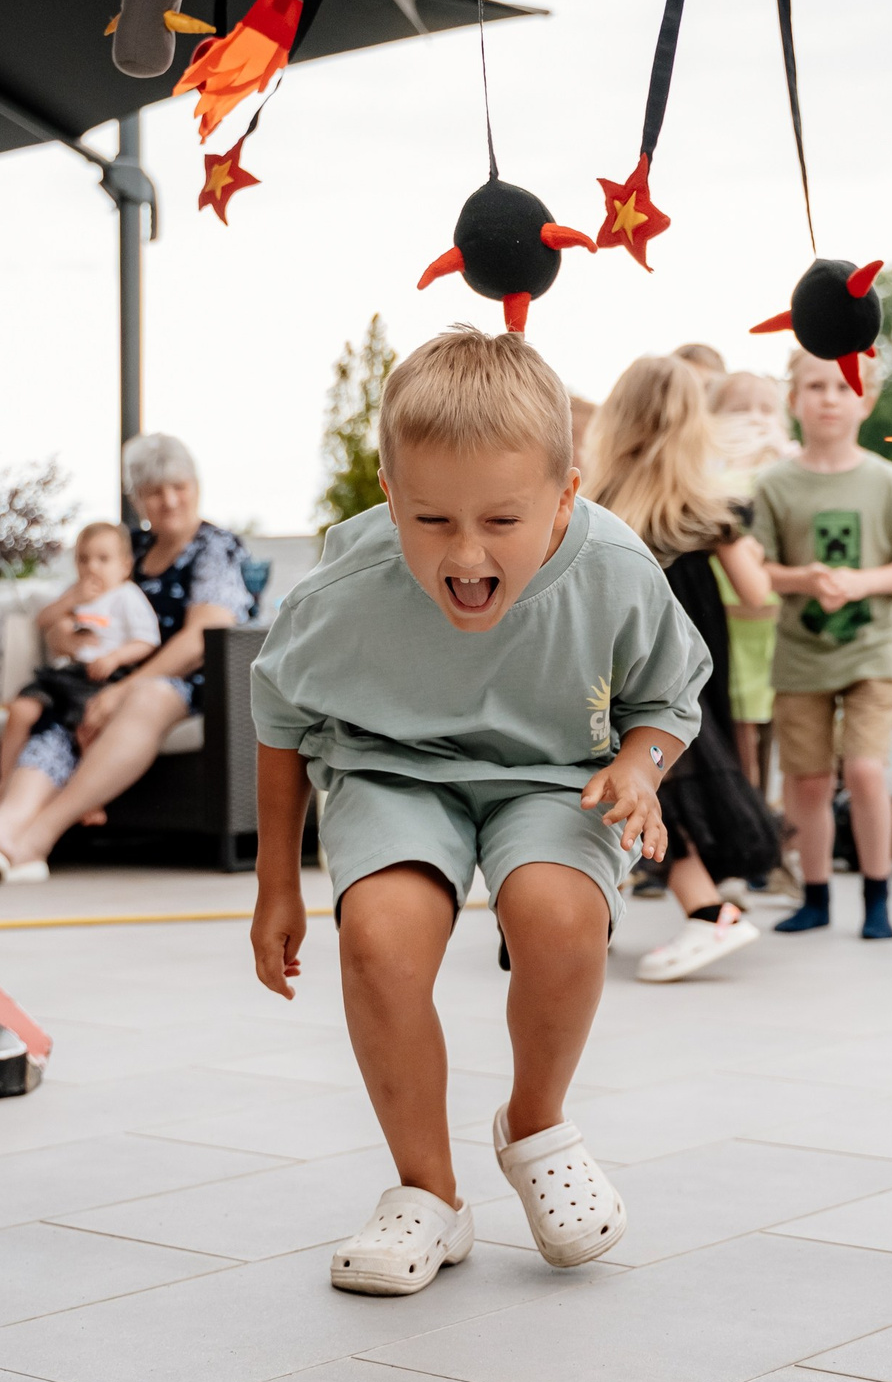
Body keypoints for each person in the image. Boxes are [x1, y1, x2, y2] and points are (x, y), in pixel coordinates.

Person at [249, 327, 709, 1296]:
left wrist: (640, 764)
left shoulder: (619, 572)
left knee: (559, 913)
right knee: (376, 937)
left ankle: (535, 1122)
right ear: (389, 493)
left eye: (502, 520)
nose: (464, 555)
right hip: (391, 768)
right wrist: (277, 887)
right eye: (430, 520)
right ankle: (427, 1191)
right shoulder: (347, 588)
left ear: (565, 494)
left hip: (553, 774)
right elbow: (280, 716)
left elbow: (669, 701)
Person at [0, 434, 252, 881]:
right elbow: (71, 612)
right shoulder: (124, 547)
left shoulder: (215, 547)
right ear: (138, 500)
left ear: (196, 485)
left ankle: (33, 841)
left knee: (144, 698)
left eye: (179, 487)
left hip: (190, 681)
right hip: (103, 675)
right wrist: (64, 635)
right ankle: (0, 828)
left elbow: (201, 640)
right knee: (59, 714)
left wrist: (123, 688)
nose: (169, 500)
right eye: (155, 491)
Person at [586, 356, 784, 982]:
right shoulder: (706, 507)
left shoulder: (598, 507)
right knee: (661, 787)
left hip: (622, 672)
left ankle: (705, 912)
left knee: (633, 784)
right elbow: (758, 595)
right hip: (695, 674)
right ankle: (615, 911)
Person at [750, 350, 892, 939]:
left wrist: (860, 582)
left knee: (865, 770)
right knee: (806, 780)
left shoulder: (886, 479)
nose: (830, 398)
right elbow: (759, 569)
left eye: (843, 386)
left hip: (871, 651)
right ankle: (816, 894)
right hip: (800, 653)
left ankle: (878, 897)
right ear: (794, 399)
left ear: (866, 400)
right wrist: (803, 579)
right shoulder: (774, 484)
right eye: (815, 386)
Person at [0, 521, 161, 798]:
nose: (92, 567)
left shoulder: (126, 596)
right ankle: (4, 781)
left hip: (102, 676)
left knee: (89, 726)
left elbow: (148, 640)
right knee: (21, 709)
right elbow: (42, 621)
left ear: (125, 566)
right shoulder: (75, 593)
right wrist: (71, 600)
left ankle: (90, 798)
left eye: (103, 559)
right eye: (84, 559)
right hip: (67, 674)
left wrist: (115, 657)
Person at [709, 370, 798, 791]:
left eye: (765, 408)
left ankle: (777, 823)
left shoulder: (789, 467)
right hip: (729, 619)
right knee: (741, 729)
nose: (755, 419)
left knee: (788, 729)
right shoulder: (710, 473)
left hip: (780, 618)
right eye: (741, 409)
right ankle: (750, 816)